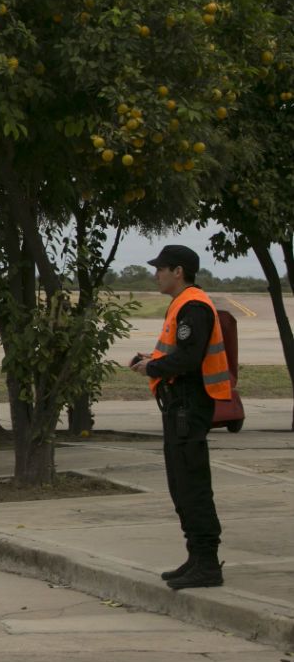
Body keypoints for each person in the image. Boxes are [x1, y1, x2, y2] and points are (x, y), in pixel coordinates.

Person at [129, 244, 230, 589]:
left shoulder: (193, 306)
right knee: (180, 484)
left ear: (178, 272)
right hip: (179, 405)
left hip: (189, 405)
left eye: (161, 268)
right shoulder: (182, 306)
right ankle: (196, 557)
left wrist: (152, 367)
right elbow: (180, 353)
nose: (155, 274)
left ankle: (207, 562)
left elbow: (188, 359)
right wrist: (151, 358)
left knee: (192, 484)